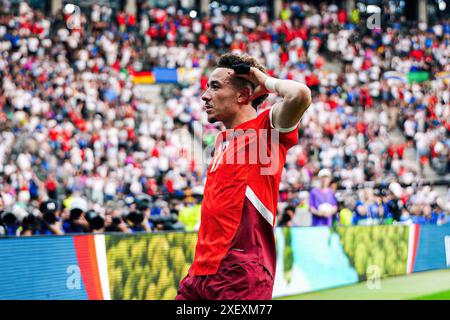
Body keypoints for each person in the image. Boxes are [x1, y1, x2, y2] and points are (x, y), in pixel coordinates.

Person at [176, 53, 312, 300]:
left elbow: (300, 95)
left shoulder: (266, 130)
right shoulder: (221, 141)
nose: (205, 95)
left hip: (240, 274)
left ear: (243, 95)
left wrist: (263, 79)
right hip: (200, 274)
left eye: (215, 86)